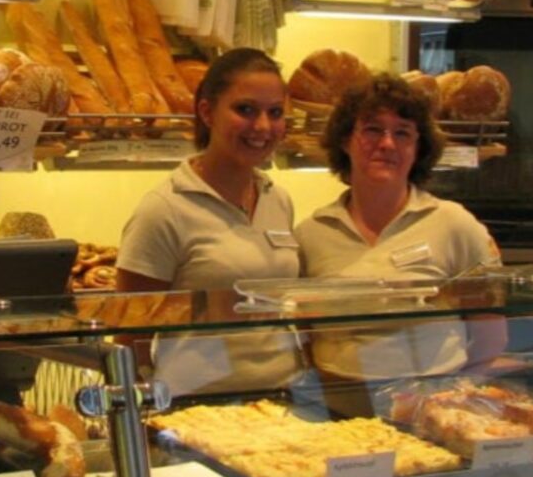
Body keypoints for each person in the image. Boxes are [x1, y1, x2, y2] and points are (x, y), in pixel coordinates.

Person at [294, 73, 505, 391]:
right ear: (345, 140)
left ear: (418, 148)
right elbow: (304, 336)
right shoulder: (311, 234)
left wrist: (448, 399)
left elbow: (490, 338)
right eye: (373, 129)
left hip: (429, 405)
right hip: (338, 409)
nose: (387, 143)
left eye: (403, 133)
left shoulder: (453, 224)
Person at [116, 47, 303, 395]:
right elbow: (130, 334)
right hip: (196, 405)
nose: (263, 126)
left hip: (283, 397)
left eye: (275, 112)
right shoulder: (164, 209)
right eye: (245, 110)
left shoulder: (279, 200)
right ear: (206, 112)